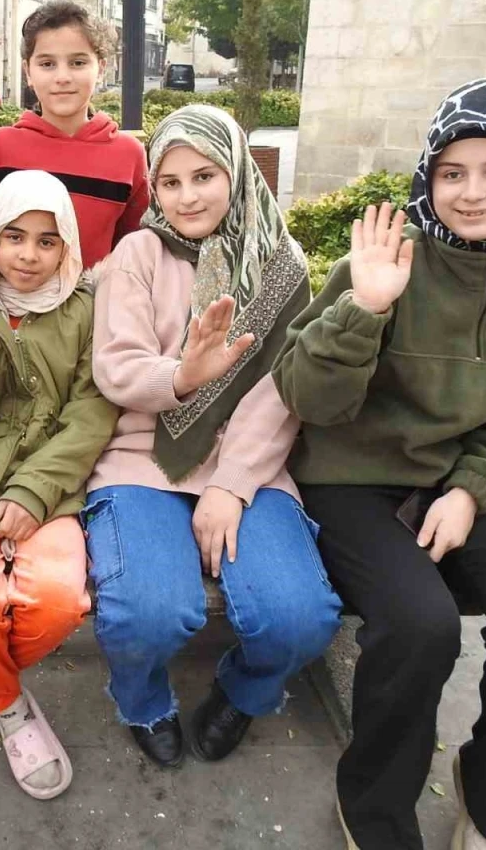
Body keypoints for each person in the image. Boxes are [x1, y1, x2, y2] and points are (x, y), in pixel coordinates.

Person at [272, 78, 486, 850]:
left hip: (465, 482)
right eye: (453, 172)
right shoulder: (384, 263)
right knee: (420, 625)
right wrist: (367, 308)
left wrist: (472, 489)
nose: (473, 192)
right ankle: (375, 806)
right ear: (428, 177)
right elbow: (307, 397)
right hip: (351, 482)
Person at [85, 105, 343, 769]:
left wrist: (231, 484)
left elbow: (281, 389)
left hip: (249, 463)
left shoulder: (282, 265)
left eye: (204, 176)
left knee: (298, 617)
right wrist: (181, 376)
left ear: (237, 172)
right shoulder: (137, 254)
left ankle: (246, 690)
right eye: (169, 182)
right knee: (145, 612)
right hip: (143, 458)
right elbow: (116, 365)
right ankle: (143, 700)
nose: (187, 197)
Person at [0, 170, 118, 800]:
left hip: (54, 484)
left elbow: (91, 412)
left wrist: (34, 490)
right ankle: (9, 707)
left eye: (46, 241)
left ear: (67, 248)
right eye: (14, 237)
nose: (29, 255)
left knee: (59, 602)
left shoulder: (83, 310)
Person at [0, 0, 149, 268]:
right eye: (47, 64)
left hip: (94, 295)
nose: (62, 77)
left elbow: (134, 249)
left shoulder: (128, 155)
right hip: (9, 296)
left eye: (78, 62)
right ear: (28, 72)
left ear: (101, 68)